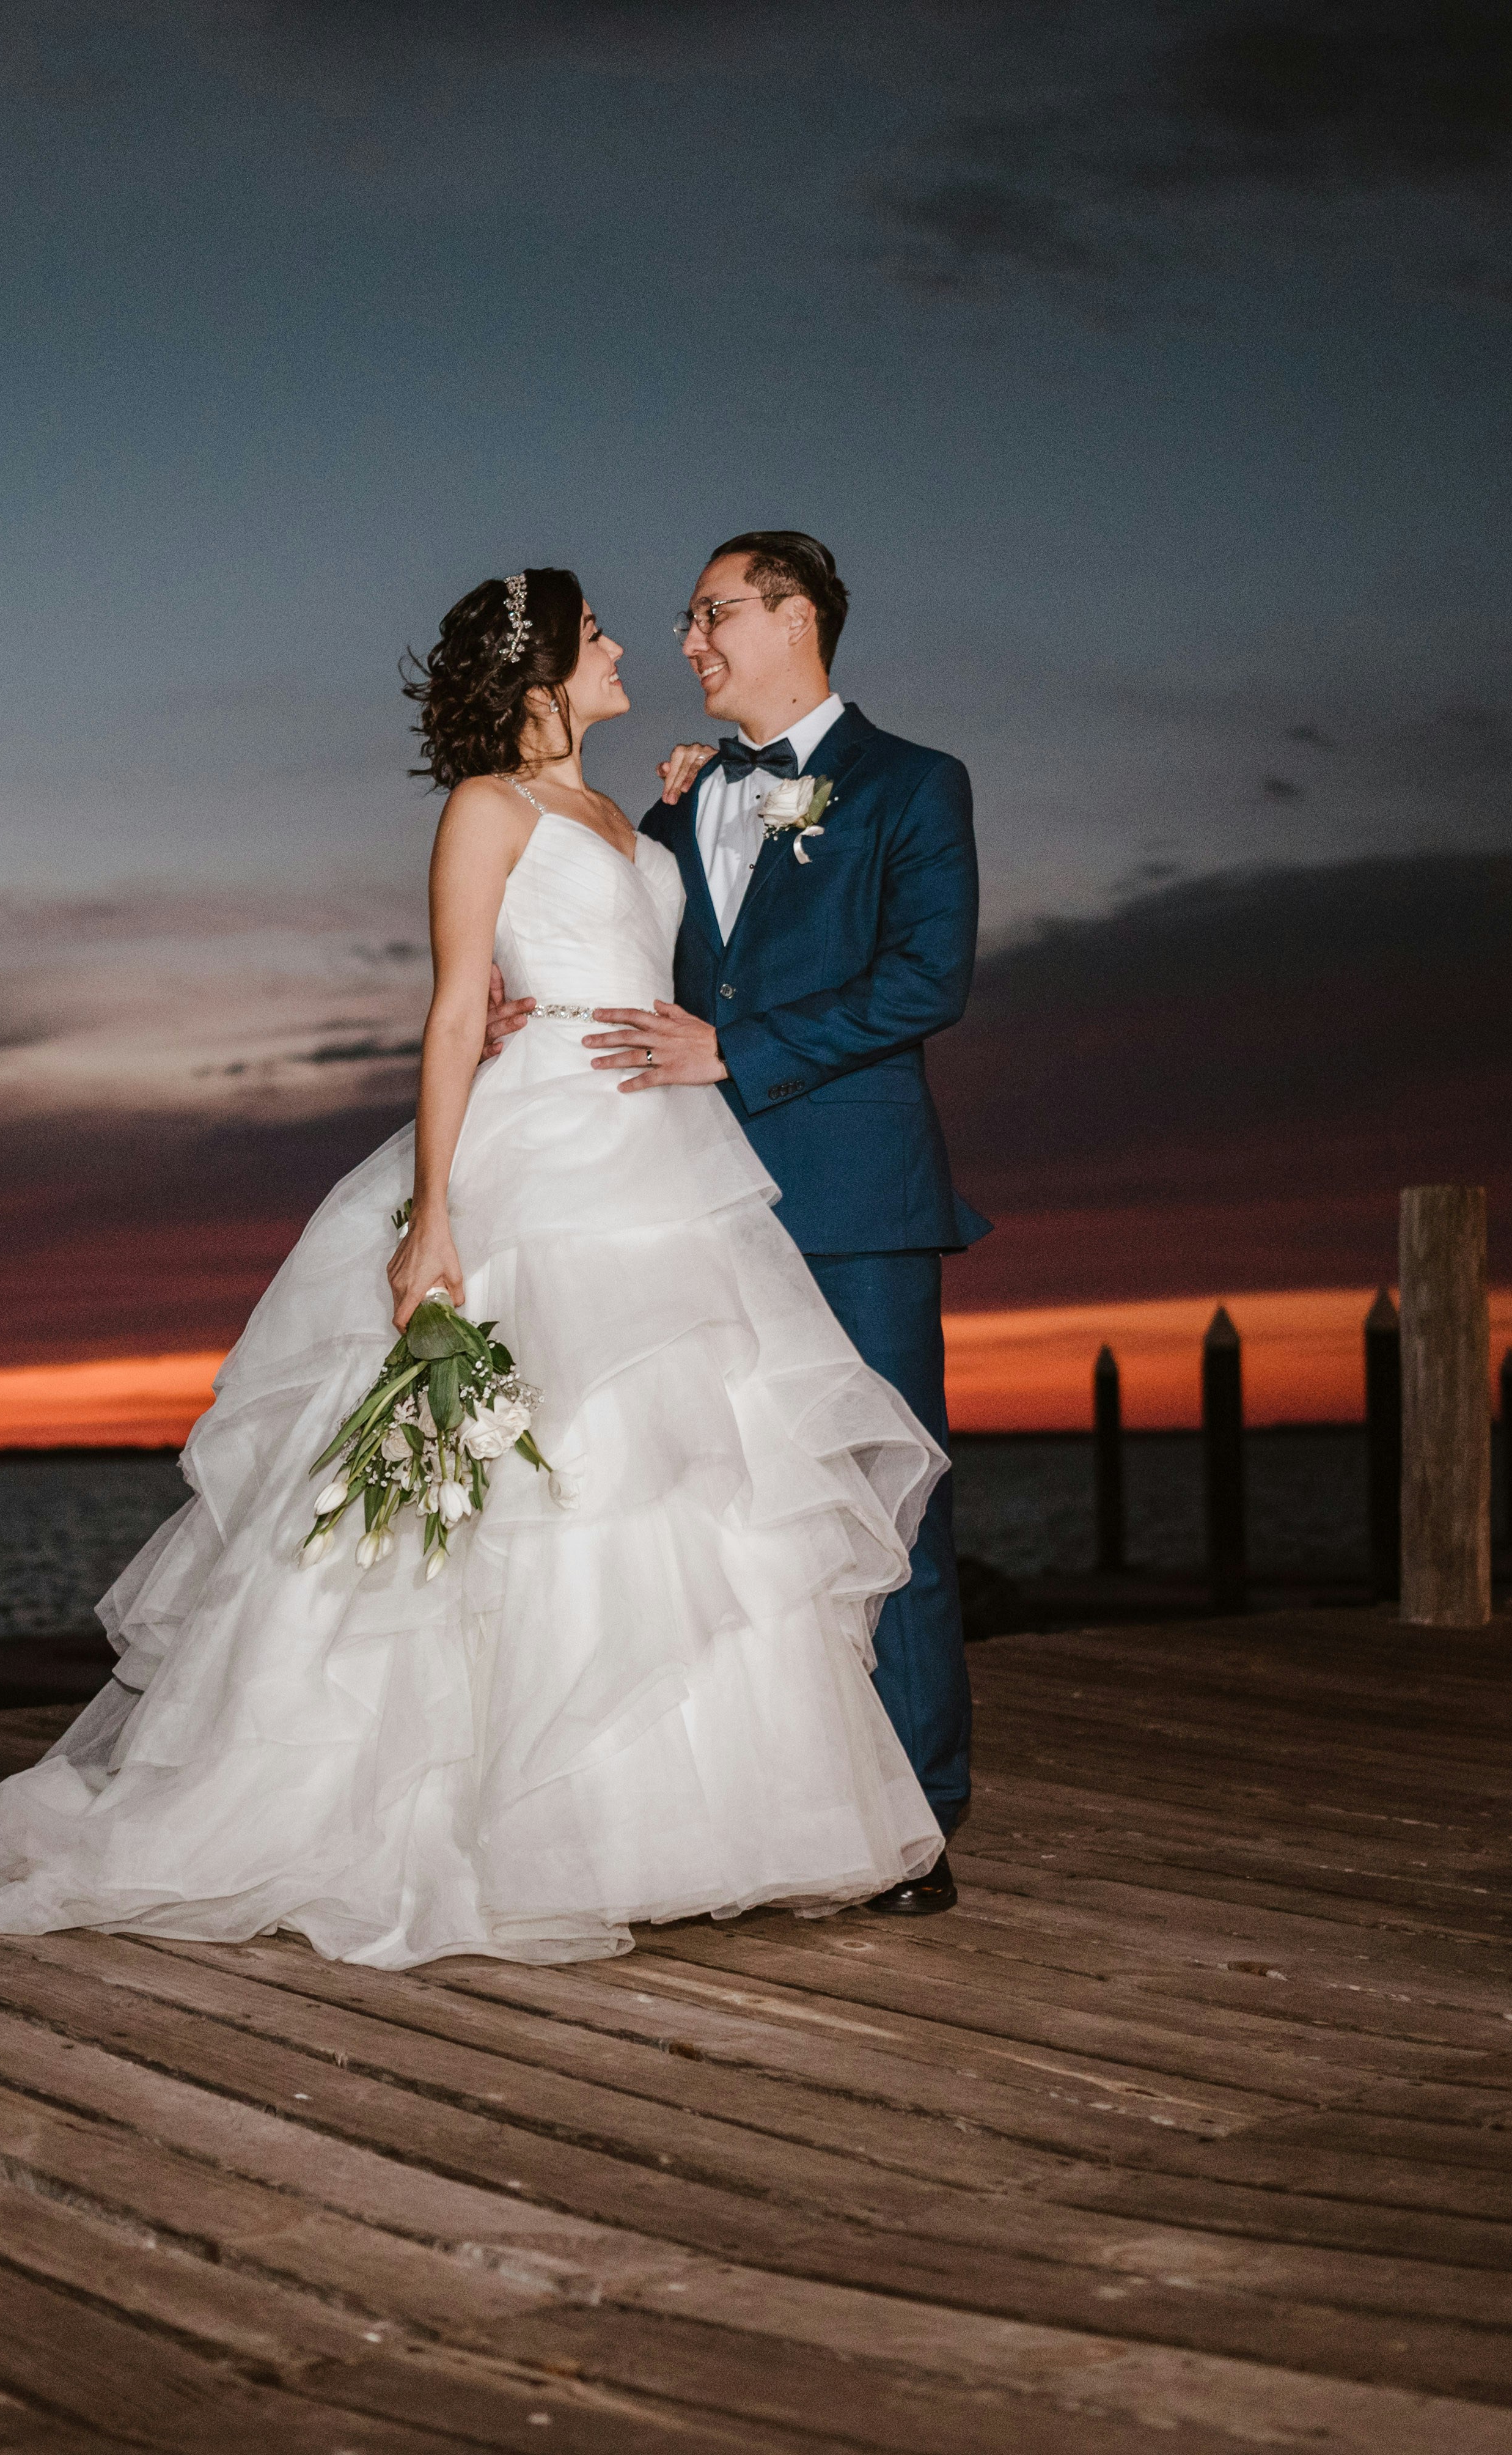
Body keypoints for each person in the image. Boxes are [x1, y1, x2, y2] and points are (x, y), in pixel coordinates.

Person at [0, 567, 947, 1968]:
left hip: (663, 1151)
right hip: (542, 1150)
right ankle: (483, 1817)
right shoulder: (487, 806)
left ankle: (677, 1825)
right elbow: (456, 1010)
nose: (633, 643)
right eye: (599, 636)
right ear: (540, 674)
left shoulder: (635, 812)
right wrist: (432, 1216)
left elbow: (690, 942)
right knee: (530, 1479)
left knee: (674, 1470)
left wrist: (688, 809)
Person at [606, 531, 985, 1915]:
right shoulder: (676, 808)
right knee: (725, 1511)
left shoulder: (910, 785)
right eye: (686, 619)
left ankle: (916, 1823)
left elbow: (925, 981)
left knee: (888, 1510)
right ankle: (754, 1809)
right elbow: (630, 963)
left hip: (853, 1206)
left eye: (711, 614)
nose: (689, 643)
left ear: (796, 617)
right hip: (693, 1210)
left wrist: (736, 1054)